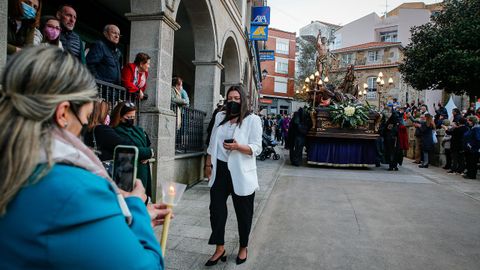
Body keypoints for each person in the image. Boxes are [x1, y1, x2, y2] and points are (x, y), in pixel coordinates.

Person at [0, 46, 166, 269]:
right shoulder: (75, 189)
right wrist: (136, 207)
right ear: (63, 114)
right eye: (84, 118)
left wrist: (129, 218)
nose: (83, 128)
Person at [204, 86, 262, 266]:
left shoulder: (253, 120)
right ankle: (219, 248)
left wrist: (239, 147)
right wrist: (208, 164)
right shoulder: (220, 117)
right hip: (220, 171)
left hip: (241, 173)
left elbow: (257, 148)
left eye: (237, 98)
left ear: (243, 99)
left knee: (244, 213)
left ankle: (243, 247)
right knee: (216, 211)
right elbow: (212, 143)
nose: (233, 101)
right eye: (230, 98)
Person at [111, 102, 155, 199]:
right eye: (128, 117)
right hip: (129, 173)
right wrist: (148, 153)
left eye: (133, 117)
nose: (131, 119)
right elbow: (130, 150)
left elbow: (148, 146)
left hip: (144, 170)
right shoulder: (115, 131)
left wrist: (149, 153)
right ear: (120, 116)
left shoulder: (138, 130)